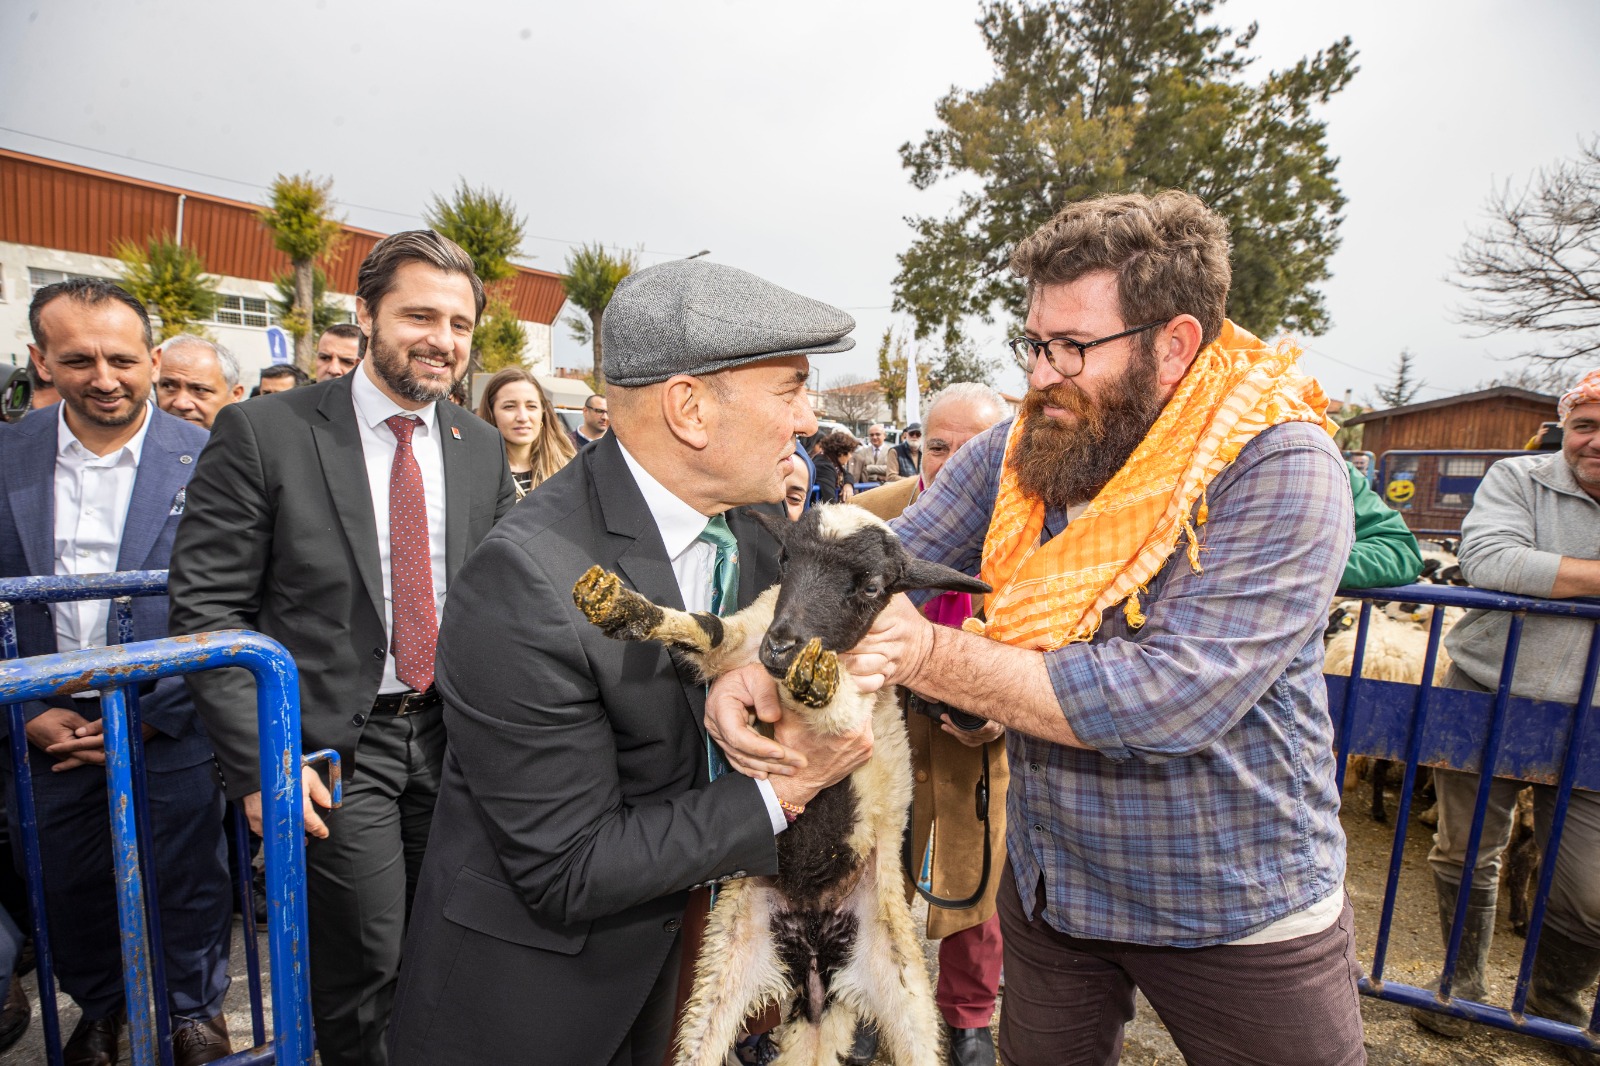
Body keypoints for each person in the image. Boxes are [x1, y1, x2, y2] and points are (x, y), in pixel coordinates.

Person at [710, 191, 1365, 1066]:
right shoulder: (1027, 442)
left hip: (1230, 895)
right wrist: (753, 657)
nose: (1041, 374)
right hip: (1058, 887)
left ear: (1174, 345)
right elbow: (877, 558)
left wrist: (932, 651)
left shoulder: (1277, 463)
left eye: (1073, 348)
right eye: (1033, 342)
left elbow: (1170, 699)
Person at [387, 259, 873, 1066]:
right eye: (790, 388)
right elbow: (568, 867)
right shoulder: (529, 580)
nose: (809, 417)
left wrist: (743, 671)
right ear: (688, 408)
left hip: (691, 988)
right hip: (548, 1012)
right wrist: (789, 786)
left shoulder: (754, 531)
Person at [169, 231, 516, 1066]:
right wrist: (261, 769)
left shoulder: (479, 448)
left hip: (456, 743)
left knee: (455, 950)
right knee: (366, 965)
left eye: (460, 323)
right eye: (420, 315)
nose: (443, 339)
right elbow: (207, 610)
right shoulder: (264, 432)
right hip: (329, 755)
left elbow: (513, 598)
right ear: (365, 315)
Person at [0, 278, 234, 1066]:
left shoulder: (213, 459)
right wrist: (22, 704)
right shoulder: (6, 457)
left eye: (122, 359)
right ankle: (100, 1007)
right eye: (78, 358)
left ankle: (193, 1010)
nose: (104, 377)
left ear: (153, 359)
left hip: (172, 717)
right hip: (46, 724)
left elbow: (237, 598)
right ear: (41, 359)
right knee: (66, 881)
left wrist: (149, 713)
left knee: (188, 874)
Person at [1415, 368, 1600, 1062]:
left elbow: (1528, 568)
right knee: (1465, 852)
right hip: (1487, 688)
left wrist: (1558, 573)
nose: (1595, 442)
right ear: (1566, 427)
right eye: (1585, 425)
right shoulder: (1518, 479)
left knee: (1588, 889)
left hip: (1593, 712)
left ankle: (1555, 1001)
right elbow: (1492, 563)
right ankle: (1460, 986)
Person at [855, 383, 1010, 1066]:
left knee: (978, 873)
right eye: (938, 445)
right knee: (871, 869)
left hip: (981, 734)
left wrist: (1000, 709)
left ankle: (967, 1017)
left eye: (972, 448)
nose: (951, 461)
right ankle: (867, 1000)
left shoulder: (1037, 526)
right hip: (886, 725)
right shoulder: (870, 515)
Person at [475, 367, 577, 499]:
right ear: (491, 413)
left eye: (531, 406)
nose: (523, 417)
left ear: (542, 413)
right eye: (509, 406)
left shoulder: (568, 470)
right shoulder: (474, 474)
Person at [155, 334, 245, 430]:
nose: (181, 404)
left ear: (235, 395)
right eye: (168, 386)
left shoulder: (254, 442)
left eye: (200, 390)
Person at [811, 430, 858, 503]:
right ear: (841, 453)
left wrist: (848, 485)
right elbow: (829, 500)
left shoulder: (830, 461)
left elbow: (847, 474)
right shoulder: (824, 466)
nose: (850, 456)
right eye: (849, 453)